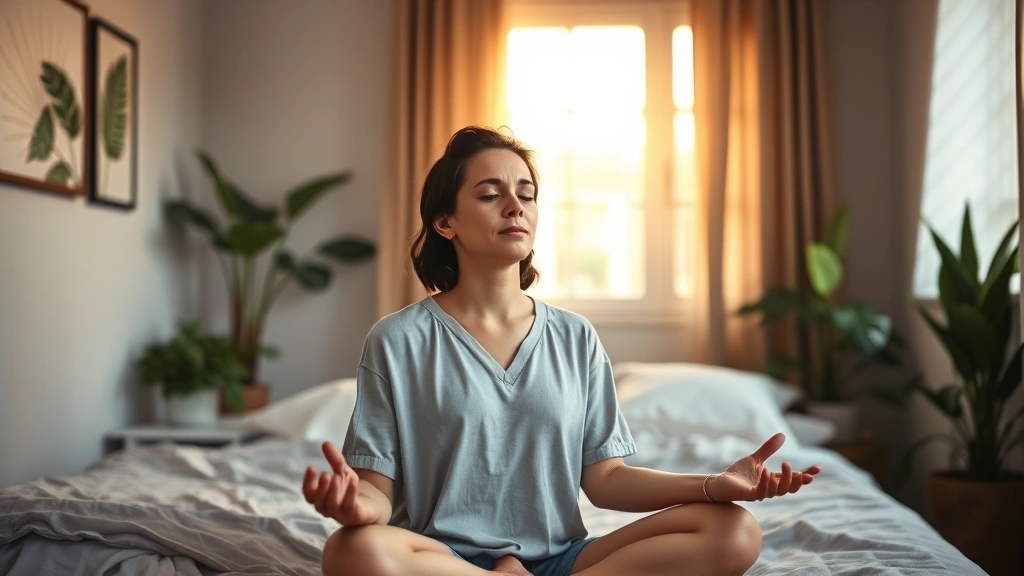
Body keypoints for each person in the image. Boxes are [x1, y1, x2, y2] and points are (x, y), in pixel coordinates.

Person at [303, 126, 822, 576]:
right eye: (490, 195)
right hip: (439, 558)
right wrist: (352, 506)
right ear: (446, 222)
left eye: (526, 195)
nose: (515, 206)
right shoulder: (398, 340)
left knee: (734, 529)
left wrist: (715, 485)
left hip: (560, 561)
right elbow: (376, 491)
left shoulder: (576, 337)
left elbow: (607, 480)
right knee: (352, 551)